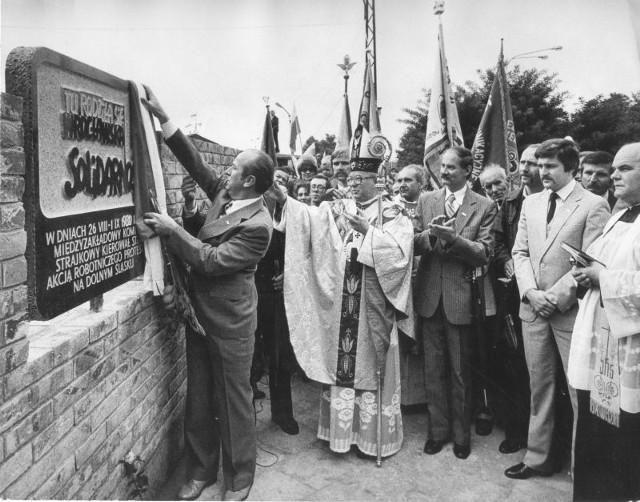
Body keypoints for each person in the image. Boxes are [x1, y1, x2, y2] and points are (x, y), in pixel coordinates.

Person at [141, 87, 273, 502]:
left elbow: (211, 260)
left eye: (233, 168)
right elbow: (196, 162)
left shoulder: (258, 225)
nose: (225, 172)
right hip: (199, 314)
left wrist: (171, 228)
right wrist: (166, 119)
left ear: (248, 180)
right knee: (199, 395)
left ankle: (239, 479)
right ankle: (201, 472)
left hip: (231, 322)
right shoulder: (226, 194)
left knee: (233, 401)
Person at [273, 130, 414, 458]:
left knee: (370, 362)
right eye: (349, 178)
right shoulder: (338, 207)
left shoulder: (394, 213)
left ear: (374, 180)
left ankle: (372, 439)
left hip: (373, 305)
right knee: (343, 361)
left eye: (359, 178)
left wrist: (368, 232)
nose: (351, 183)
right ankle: (340, 436)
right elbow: (309, 220)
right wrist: (285, 200)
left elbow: (400, 257)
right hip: (343, 304)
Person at [507, 138, 610, 480]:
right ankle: (538, 457)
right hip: (533, 309)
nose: (542, 172)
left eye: (550, 166)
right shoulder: (532, 203)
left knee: (580, 389)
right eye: (540, 165)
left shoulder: (593, 205)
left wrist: (556, 296)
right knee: (541, 386)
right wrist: (532, 293)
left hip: (569, 312)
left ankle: (585, 465)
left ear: (571, 169)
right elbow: (519, 253)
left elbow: (590, 259)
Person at [414, 146, 497, 459]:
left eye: (450, 167)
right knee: (433, 369)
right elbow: (412, 242)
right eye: (442, 166)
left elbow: (484, 252)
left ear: (468, 172)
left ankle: (462, 437)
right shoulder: (426, 200)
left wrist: (452, 239)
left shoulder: (484, 206)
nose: (444, 171)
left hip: (461, 298)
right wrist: (432, 236)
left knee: (461, 371)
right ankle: (437, 432)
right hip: (429, 297)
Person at [568, 142, 640, 501]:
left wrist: (601, 278)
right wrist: (585, 271)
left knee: (625, 435)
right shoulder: (618, 214)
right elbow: (602, 262)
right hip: (599, 337)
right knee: (594, 432)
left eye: (624, 168)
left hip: (629, 349)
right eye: (614, 168)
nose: (614, 175)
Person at [492, 144, 542, 454]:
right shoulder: (510, 203)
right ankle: (516, 430)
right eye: (521, 162)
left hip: (543, 293)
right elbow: (497, 244)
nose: (524, 168)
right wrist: (507, 263)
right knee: (514, 364)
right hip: (513, 296)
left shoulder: (551, 202)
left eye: (533, 163)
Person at [253, 182, 300, 435]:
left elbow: (298, 251)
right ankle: (245, 418)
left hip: (272, 292)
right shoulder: (238, 211)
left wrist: (288, 274)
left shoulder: (281, 218)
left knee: (279, 355)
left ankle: (283, 413)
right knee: (248, 357)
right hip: (245, 295)